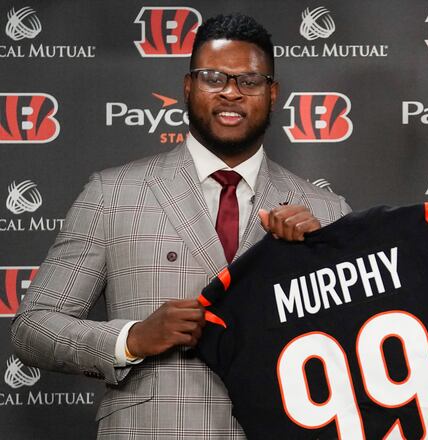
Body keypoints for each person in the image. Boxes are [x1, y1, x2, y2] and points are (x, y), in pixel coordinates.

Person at [11, 14, 350, 438]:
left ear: (272, 93)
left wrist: (319, 259)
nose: (231, 92)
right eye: (214, 77)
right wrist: (132, 339)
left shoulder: (325, 210)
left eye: (249, 80)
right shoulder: (113, 193)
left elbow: (355, 351)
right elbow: (33, 328)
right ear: (188, 87)